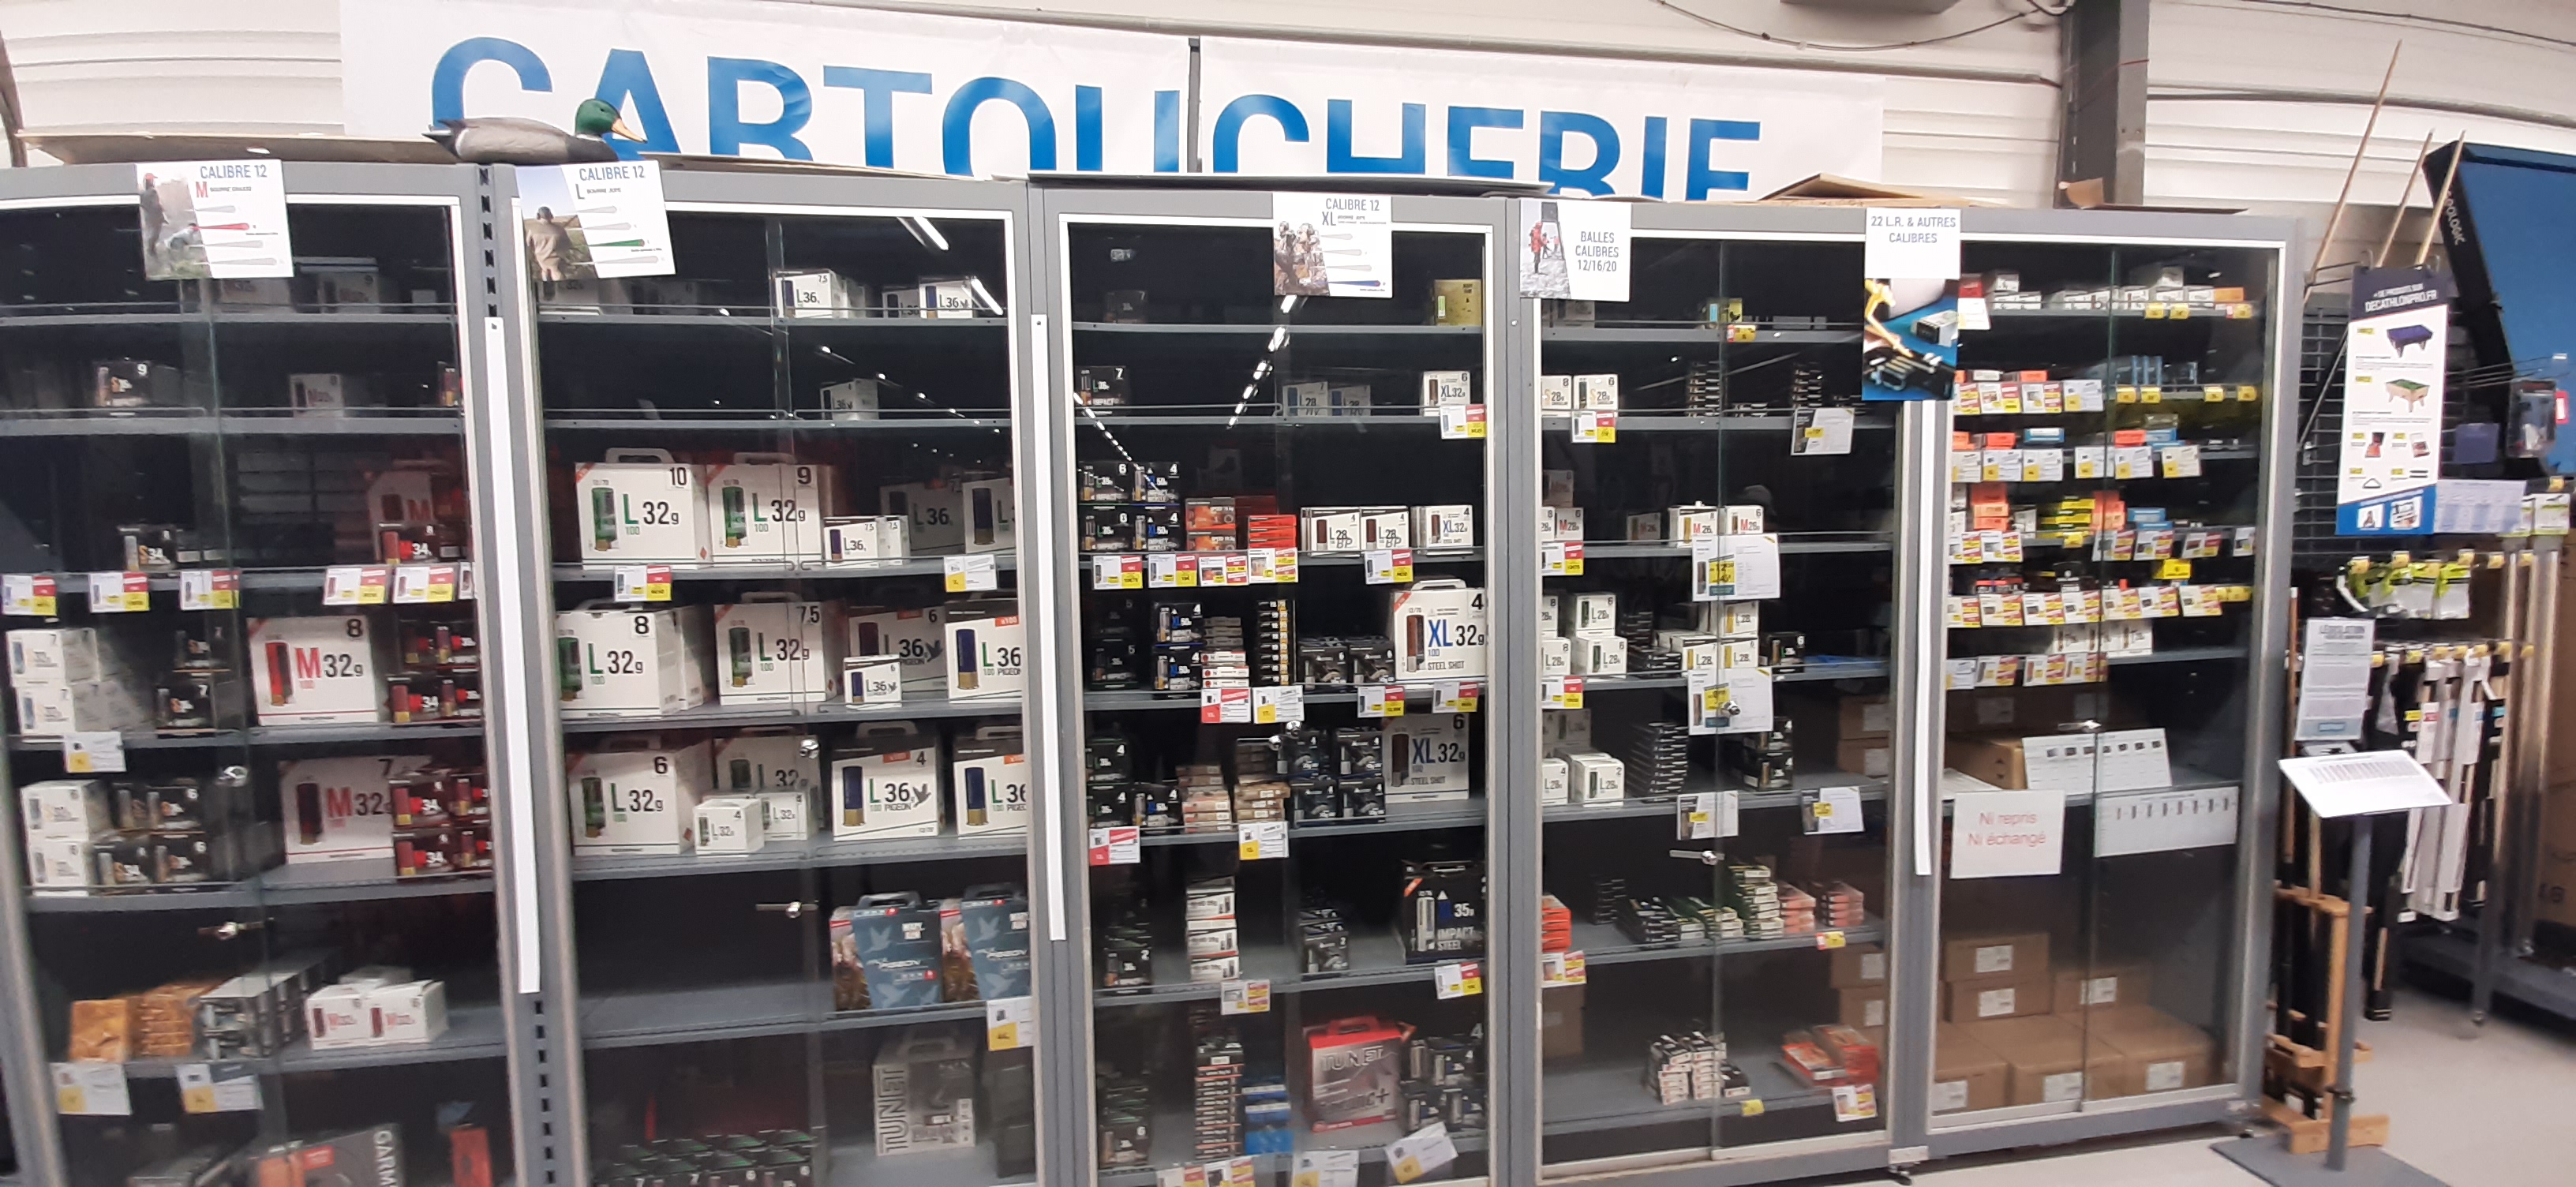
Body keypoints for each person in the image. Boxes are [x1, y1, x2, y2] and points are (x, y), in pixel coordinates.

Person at [526, 207, 572, 283]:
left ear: (538, 216)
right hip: (557, 256)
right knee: (556, 271)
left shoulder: (532, 230)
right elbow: (568, 244)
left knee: (544, 271)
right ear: (550, 215)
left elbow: (528, 244)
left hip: (540, 257)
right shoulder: (559, 229)